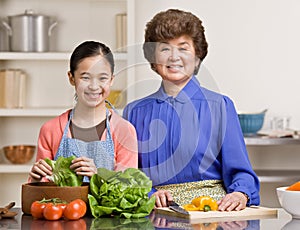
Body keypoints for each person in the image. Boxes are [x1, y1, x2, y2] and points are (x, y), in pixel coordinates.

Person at [123, 9, 260, 211]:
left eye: (183, 48)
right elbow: (128, 174)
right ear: (153, 58)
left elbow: (242, 172)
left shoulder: (220, 106)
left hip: (210, 214)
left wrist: (240, 193)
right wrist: (150, 194)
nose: (174, 57)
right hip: (154, 215)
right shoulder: (134, 112)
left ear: (197, 56)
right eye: (165, 49)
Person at [30, 41, 138, 182]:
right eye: (85, 77)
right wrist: (36, 179)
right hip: (62, 205)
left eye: (103, 78)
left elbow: (130, 190)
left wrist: (98, 177)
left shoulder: (124, 131)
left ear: (111, 80)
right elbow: (39, 197)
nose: (94, 86)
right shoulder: (50, 130)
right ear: (71, 78)